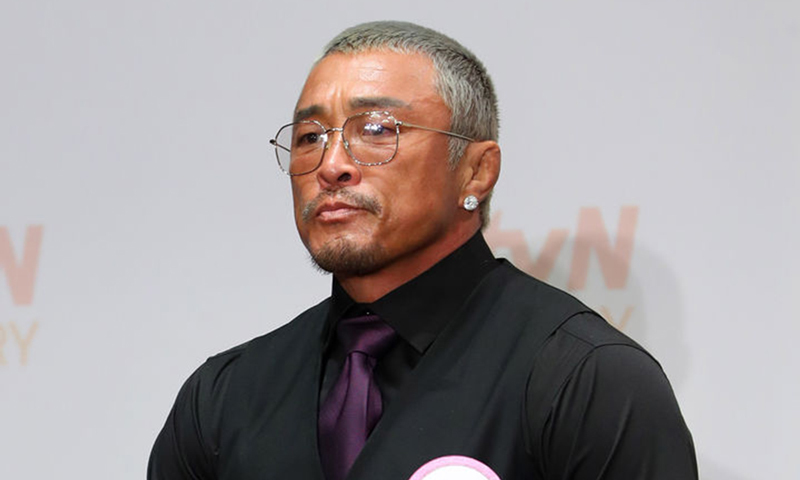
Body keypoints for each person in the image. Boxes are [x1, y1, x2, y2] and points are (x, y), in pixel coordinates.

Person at [148, 21, 698, 480]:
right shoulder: (224, 397)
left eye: (376, 129)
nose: (332, 165)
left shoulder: (585, 381)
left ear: (477, 170)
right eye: (310, 136)